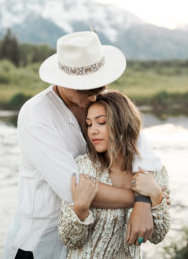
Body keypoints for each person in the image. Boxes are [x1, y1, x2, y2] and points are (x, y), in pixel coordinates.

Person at [3, 31, 162, 259]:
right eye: (83, 87)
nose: (93, 94)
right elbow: (75, 189)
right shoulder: (36, 115)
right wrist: (141, 199)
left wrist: (145, 201)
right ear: (60, 79)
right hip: (40, 246)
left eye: (98, 84)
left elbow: (144, 155)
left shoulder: (102, 100)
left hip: (87, 249)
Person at [58, 90, 170, 258]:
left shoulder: (154, 173)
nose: (92, 131)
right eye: (89, 124)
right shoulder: (82, 167)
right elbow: (70, 240)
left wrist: (155, 195)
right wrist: (80, 210)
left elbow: (157, 236)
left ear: (122, 122)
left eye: (101, 122)